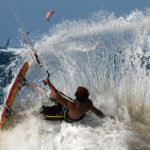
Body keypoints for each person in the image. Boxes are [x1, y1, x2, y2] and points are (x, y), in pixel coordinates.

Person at [19, 75, 108, 123]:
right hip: (77, 115)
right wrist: (107, 119)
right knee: (49, 93)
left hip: (67, 117)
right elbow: (97, 112)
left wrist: (49, 83)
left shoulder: (71, 105)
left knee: (38, 113)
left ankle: (13, 113)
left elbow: (57, 97)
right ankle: (25, 83)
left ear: (76, 95)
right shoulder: (88, 103)